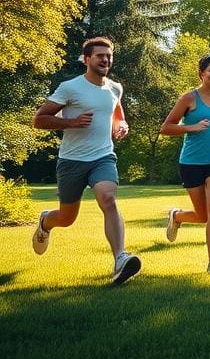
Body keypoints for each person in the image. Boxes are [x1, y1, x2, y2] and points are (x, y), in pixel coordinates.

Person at [30, 37, 141, 285]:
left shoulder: (115, 88)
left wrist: (121, 125)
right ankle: (46, 221)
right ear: (87, 59)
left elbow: (117, 113)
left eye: (109, 56)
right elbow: (39, 119)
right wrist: (70, 122)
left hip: (102, 156)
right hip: (71, 160)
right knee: (67, 218)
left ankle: (120, 259)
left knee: (108, 198)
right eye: (100, 55)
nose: (105, 60)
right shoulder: (70, 88)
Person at [159, 54, 210, 275]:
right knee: (202, 216)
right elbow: (166, 128)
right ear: (201, 72)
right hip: (191, 162)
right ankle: (177, 216)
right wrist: (191, 127)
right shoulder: (189, 98)